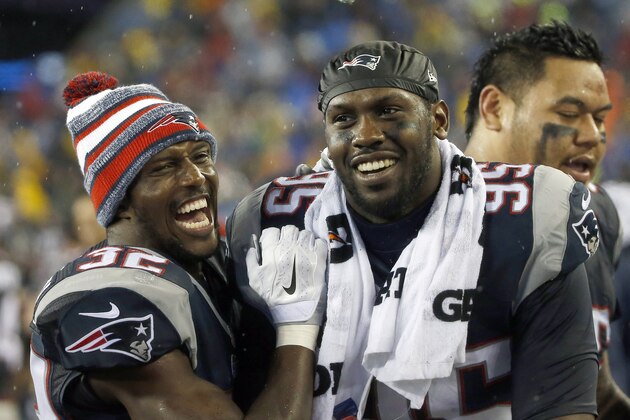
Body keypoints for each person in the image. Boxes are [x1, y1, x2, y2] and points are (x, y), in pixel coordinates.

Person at [228, 40, 599, 419]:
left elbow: (563, 408)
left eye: (388, 111)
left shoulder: (528, 217)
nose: (365, 134)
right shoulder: (277, 226)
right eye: (343, 119)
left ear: (439, 120)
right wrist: (293, 332)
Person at [28, 71, 328, 419]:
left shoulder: (206, 260)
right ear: (120, 200)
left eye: (201, 157)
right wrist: (296, 329)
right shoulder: (101, 298)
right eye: (166, 167)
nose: (196, 177)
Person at [463, 21, 630, 417]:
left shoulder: (594, 217)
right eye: (570, 113)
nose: (592, 136)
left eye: (600, 118)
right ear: (494, 108)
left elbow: (591, 391)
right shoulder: (421, 214)